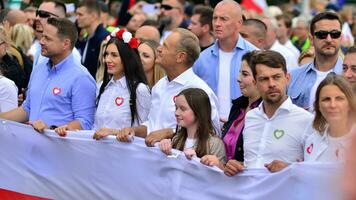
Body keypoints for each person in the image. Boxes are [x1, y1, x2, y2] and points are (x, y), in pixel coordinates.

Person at [114, 28, 220, 147]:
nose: (159, 49)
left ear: (180, 57)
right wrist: (134, 130)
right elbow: (153, 125)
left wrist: (170, 133)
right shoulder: (159, 85)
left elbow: (212, 132)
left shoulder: (199, 90)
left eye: (165, 46)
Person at [0, 17, 97, 136]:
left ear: (65, 43)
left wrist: (52, 129)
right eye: (42, 36)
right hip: (32, 149)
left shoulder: (81, 78)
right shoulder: (40, 69)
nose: (41, 41)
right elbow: (27, 108)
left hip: (59, 152)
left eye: (47, 38)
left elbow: (85, 122)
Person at [224, 50, 313, 176]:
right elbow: (252, 163)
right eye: (264, 79)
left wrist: (289, 169)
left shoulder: (306, 120)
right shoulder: (250, 117)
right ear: (255, 83)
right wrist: (235, 166)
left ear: (287, 78)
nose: (271, 84)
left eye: (276, 77)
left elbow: (316, 172)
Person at [193, 0, 256, 122]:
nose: (217, 23)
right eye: (214, 18)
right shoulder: (201, 58)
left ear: (239, 23)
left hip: (244, 128)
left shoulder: (255, 56)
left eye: (223, 19)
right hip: (209, 130)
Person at [199, 51, 262, 169]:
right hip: (225, 179)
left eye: (245, 74)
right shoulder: (238, 106)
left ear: (259, 78)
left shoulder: (265, 112)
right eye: (239, 73)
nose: (238, 78)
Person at [92, 29, 150, 134]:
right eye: (106, 54)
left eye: (114, 55)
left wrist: (113, 132)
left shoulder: (140, 89)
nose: (107, 60)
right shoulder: (101, 86)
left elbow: (145, 130)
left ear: (127, 58)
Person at [289, 12, 344, 110]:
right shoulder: (293, 77)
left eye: (335, 34)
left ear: (341, 37)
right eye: (322, 34)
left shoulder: (350, 77)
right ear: (311, 39)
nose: (328, 39)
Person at [159, 88, 226, 164]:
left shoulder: (214, 144)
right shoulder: (176, 139)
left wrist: (196, 161)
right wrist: (164, 146)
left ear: (198, 112)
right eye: (176, 108)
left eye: (183, 109)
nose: (176, 113)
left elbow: (219, 173)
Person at [304, 75, 355, 161]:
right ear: (318, 106)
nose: (332, 105)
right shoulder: (313, 140)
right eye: (326, 99)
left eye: (339, 98)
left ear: (350, 104)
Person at [75, 0, 109, 79]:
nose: (77, 18)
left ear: (93, 16)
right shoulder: (87, 38)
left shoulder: (104, 39)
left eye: (80, 14)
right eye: (77, 14)